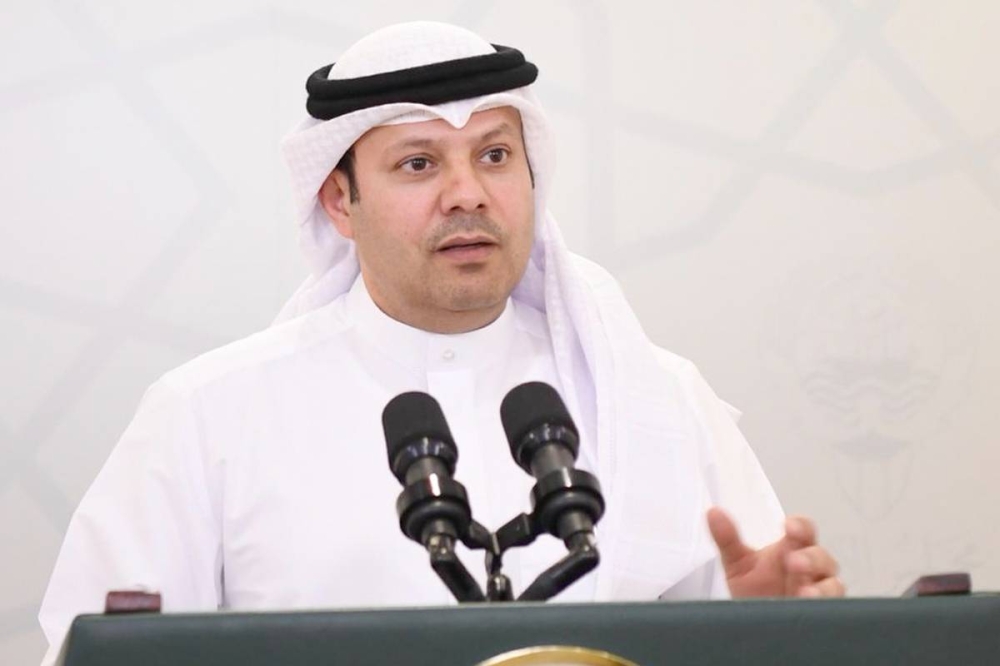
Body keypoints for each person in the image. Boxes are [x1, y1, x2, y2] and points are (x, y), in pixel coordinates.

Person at [37, 21, 842, 665]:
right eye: (419, 163)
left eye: (495, 155)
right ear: (340, 203)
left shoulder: (657, 400)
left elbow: (748, 622)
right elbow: (100, 651)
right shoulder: (208, 417)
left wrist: (772, 634)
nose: (468, 194)